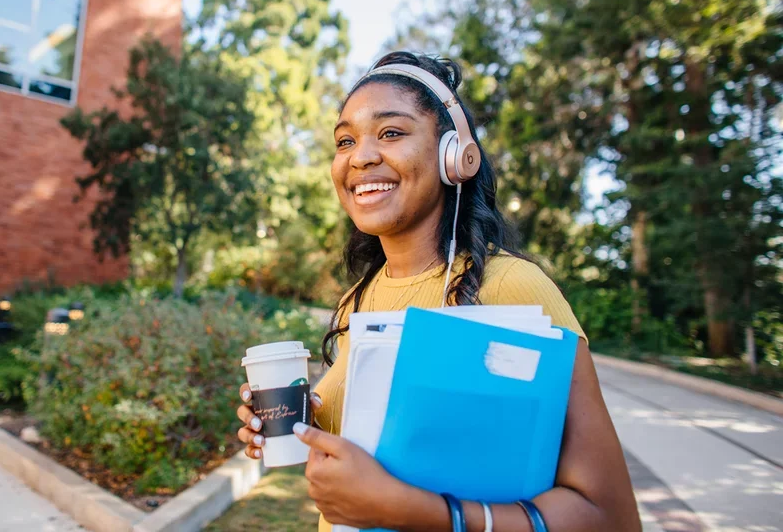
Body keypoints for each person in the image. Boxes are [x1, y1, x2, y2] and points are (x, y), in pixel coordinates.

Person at [237, 51, 641, 532]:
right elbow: (380, 456)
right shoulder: (358, 301)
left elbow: (610, 517)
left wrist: (413, 510)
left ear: (455, 156)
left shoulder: (512, 288)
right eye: (345, 140)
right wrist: (294, 425)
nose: (361, 156)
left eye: (390, 132)